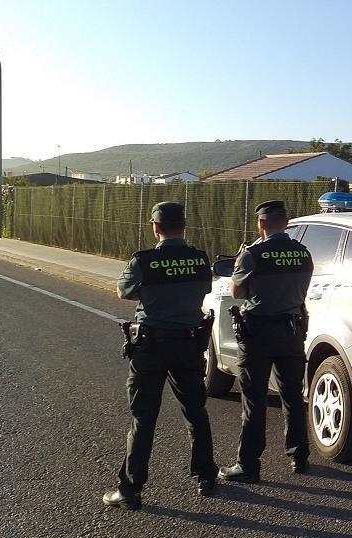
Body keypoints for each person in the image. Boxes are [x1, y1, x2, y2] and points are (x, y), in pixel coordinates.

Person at [104, 202, 217, 510]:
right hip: (189, 345)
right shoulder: (199, 259)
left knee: (143, 417)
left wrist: (154, 295)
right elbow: (203, 290)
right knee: (196, 411)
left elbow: (124, 291)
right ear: (184, 225)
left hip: (151, 346)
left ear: (155, 227)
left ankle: (130, 490)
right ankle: (206, 476)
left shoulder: (145, 261)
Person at [219, 200, 314, 483]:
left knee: (254, 400)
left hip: (258, 333)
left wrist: (240, 263)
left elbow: (236, 292)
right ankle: (299, 456)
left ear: (261, 224)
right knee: (293, 397)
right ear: (286, 222)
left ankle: (248, 465)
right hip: (291, 331)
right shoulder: (302, 253)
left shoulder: (252, 254)